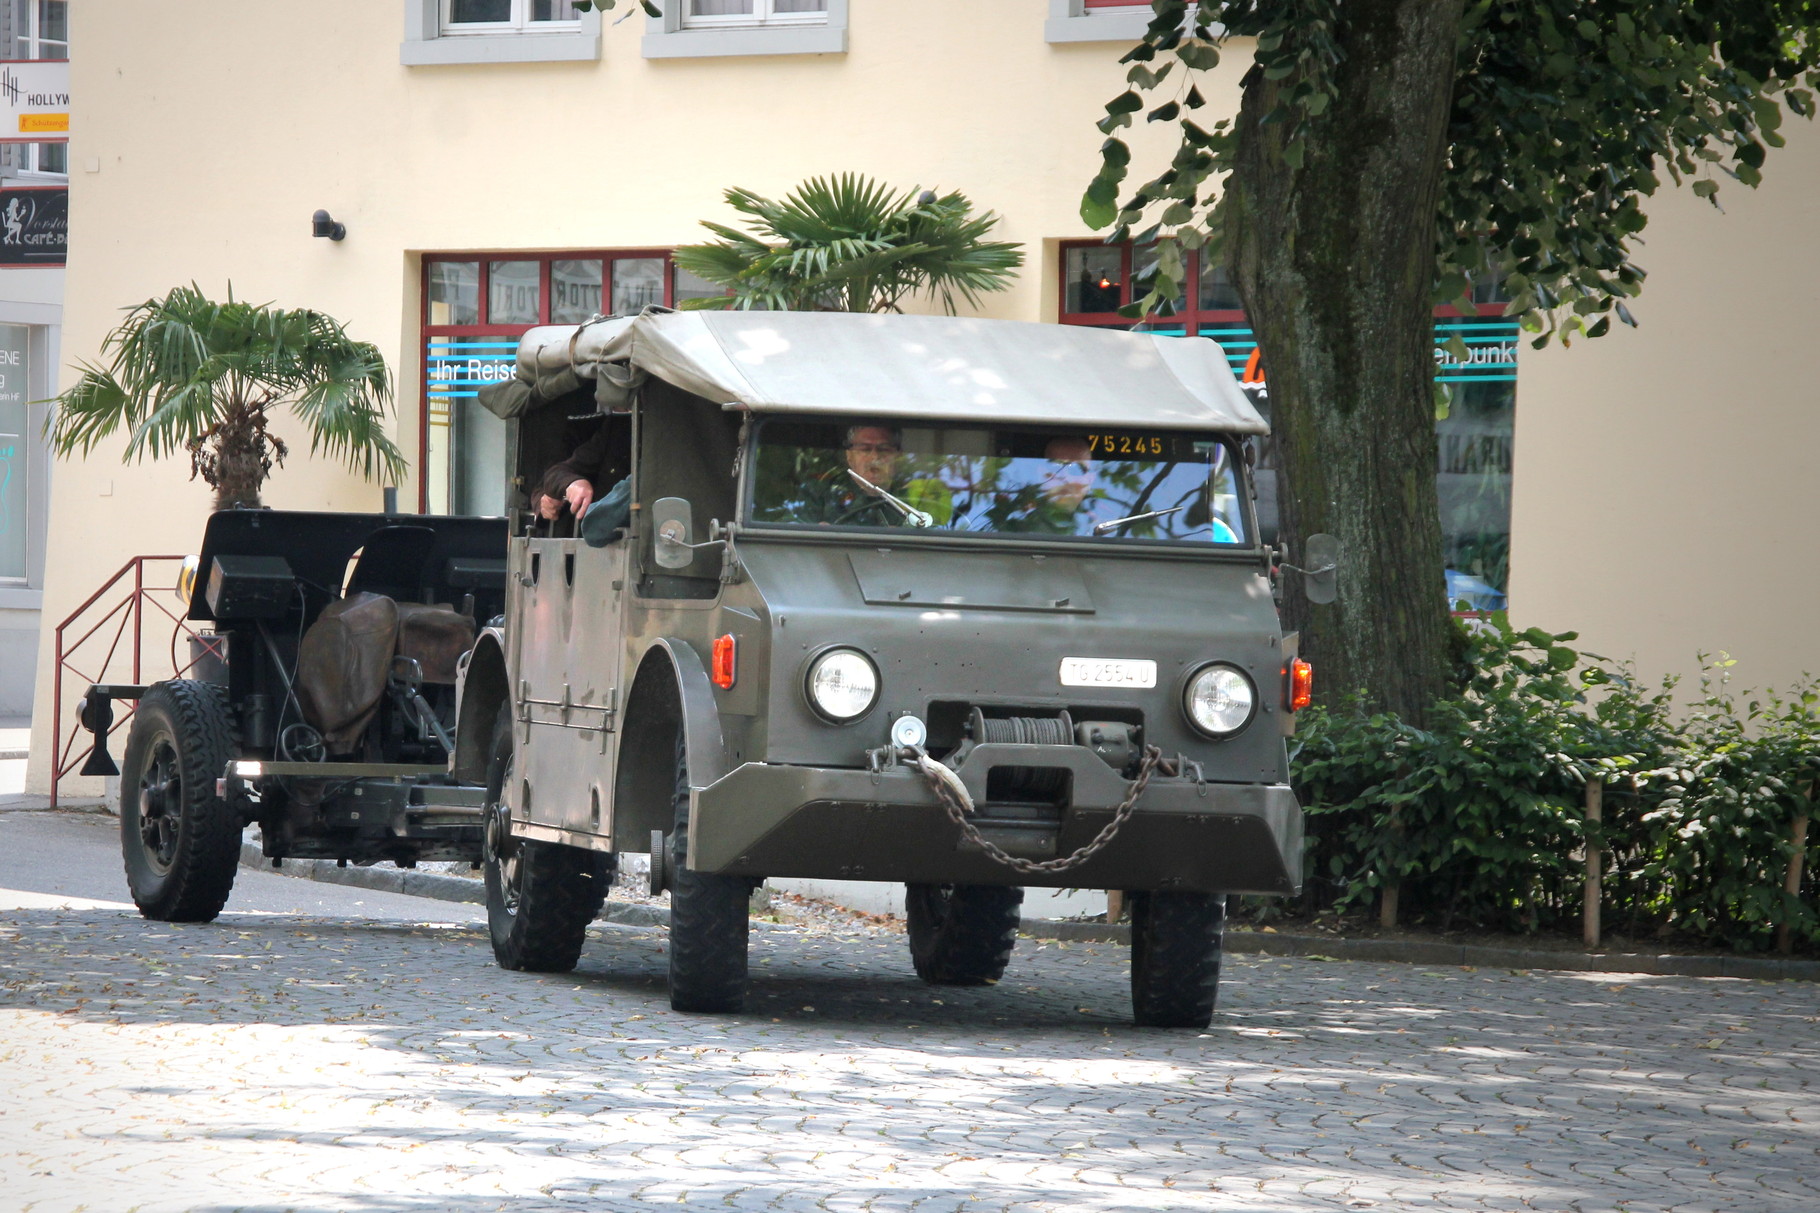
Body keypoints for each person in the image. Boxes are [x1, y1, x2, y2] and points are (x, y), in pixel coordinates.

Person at [801, 423, 952, 526]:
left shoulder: (919, 493)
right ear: (849, 456)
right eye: (865, 449)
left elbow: (941, 531)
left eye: (884, 449)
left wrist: (907, 535)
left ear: (897, 456)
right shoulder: (821, 490)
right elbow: (791, 525)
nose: (874, 457)